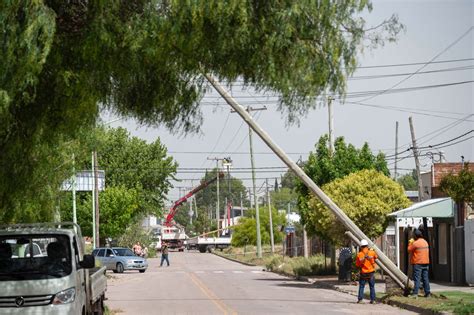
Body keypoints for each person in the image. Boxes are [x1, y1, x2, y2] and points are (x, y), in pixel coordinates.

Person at [408, 229, 431, 298]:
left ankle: (415, 294)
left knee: (417, 279)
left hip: (418, 263)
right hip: (426, 263)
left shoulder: (415, 243)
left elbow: (409, 249)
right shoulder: (425, 242)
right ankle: (427, 293)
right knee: (425, 278)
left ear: (415, 236)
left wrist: (410, 242)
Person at [355, 239, 378, 304]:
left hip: (363, 273)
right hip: (371, 273)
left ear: (361, 246)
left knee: (361, 286)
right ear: (367, 245)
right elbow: (376, 257)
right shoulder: (372, 252)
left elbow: (357, 264)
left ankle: (360, 300)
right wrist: (372, 250)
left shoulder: (359, 254)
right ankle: (373, 300)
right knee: (372, 286)